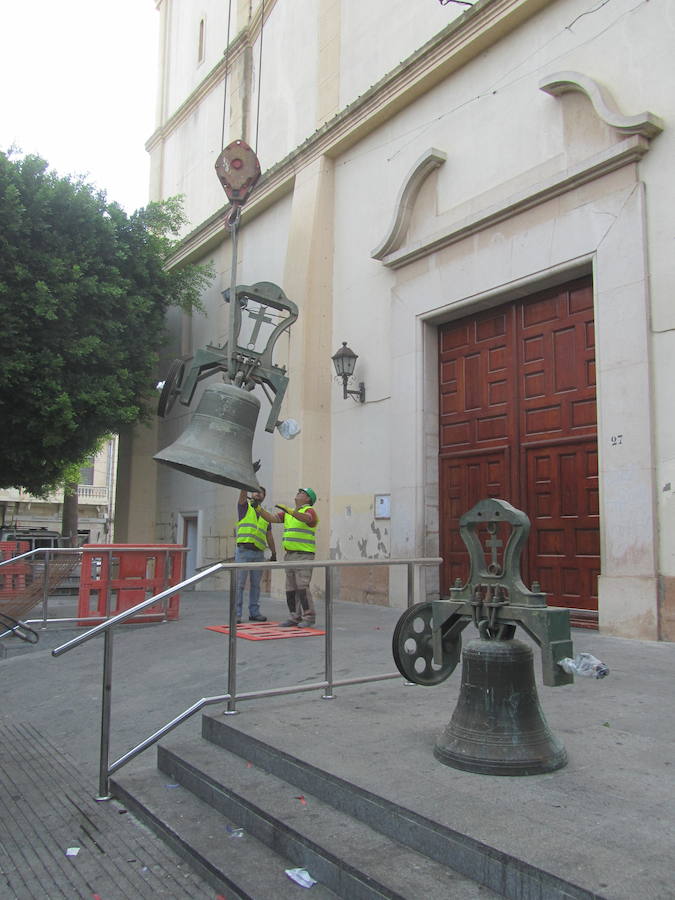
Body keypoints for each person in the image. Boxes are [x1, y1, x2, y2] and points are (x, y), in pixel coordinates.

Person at [258, 488, 318, 627]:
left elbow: (307, 519)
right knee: (290, 588)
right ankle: (294, 617)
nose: (298, 493)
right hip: (290, 555)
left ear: (308, 499)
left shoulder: (309, 511)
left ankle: (309, 617)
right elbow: (271, 518)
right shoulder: (290, 513)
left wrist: (290, 511)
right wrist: (258, 509)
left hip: (304, 555)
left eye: (302, 493)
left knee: (302, 587)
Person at [234, 485, 276, 623]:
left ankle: (254, 612)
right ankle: (237, 614)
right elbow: (242, 494)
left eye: (261, 493)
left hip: (258, 553)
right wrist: (246, 481)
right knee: (239, 584)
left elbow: (269, 536)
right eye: (256, 492)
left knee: (256, 585)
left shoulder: (265, 514)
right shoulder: (244, 507)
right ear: (251, 494)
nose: (258, 494)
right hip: (243, 551)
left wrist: (274, 553)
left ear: (264, 497)